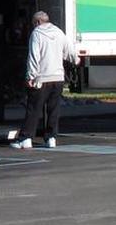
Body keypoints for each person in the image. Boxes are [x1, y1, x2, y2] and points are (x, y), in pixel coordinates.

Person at [11, 11, 84, 149]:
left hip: (42, 78)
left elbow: (34, 56)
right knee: (53, 109)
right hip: (58, 77)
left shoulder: (37, 34)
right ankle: (51, 138)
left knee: (34, 108)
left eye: (34, 23)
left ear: (38, 22)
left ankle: (26, 138)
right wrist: (76, 60)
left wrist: (30, 76)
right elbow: (69, 51)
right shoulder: (58, 32)